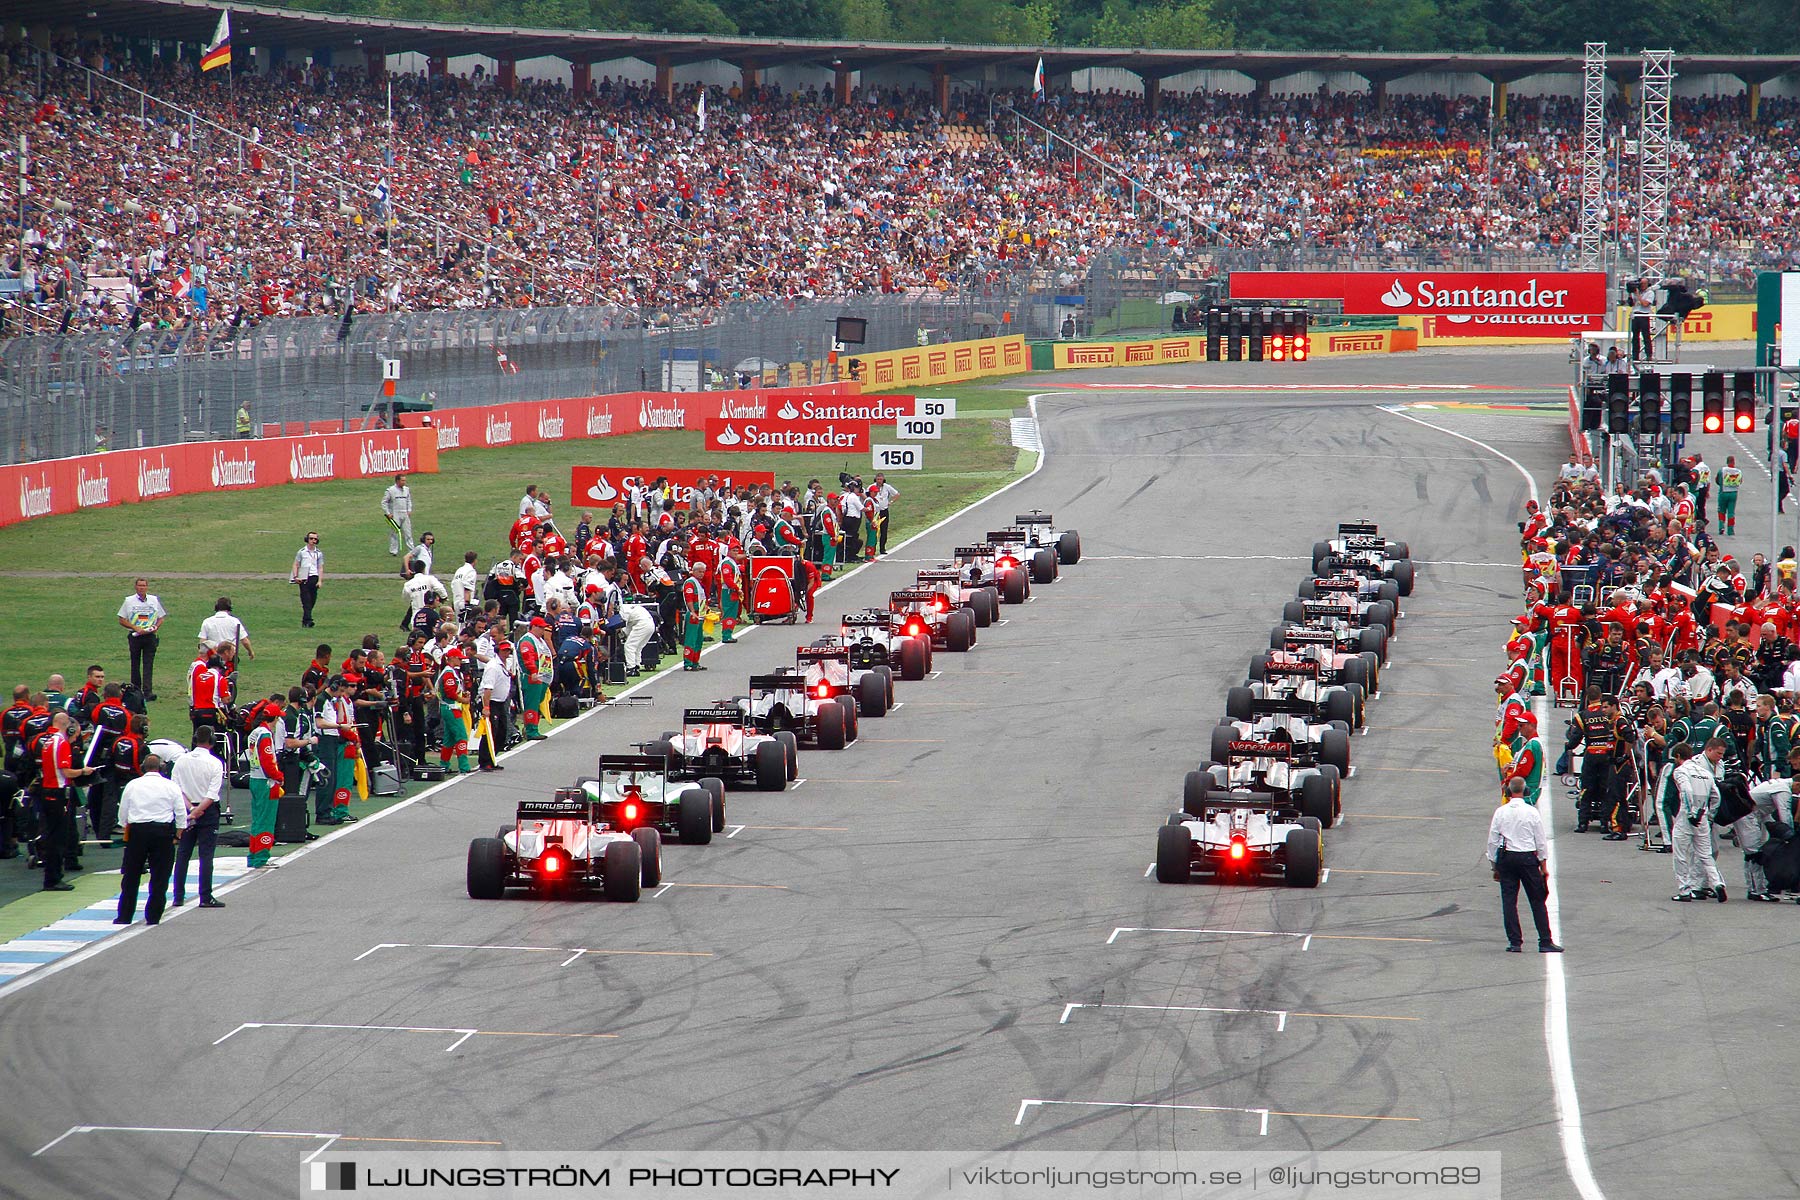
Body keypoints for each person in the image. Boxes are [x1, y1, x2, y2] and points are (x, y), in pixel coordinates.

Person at [1486, 777, 1562, 952]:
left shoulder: (1500, 812)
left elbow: (1492, 841)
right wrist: (1543, 865)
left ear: (1508, 791)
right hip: (1527, 859)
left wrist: (1494, 865)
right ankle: (1545, 941)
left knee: (1509, 901)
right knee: (1537, 900)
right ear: (1526, 791)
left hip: (1507, 858)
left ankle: (1515, 942)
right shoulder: (1532, 812)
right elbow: (1541, 841)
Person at [114, 755, 185, 925]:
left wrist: (126, 827)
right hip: (162, 832)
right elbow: (181, 813)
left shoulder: (133, 785)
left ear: (142, 767)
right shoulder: (170, 786)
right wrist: (178, 835)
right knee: (160, 876)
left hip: (138, 831)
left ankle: (124, 915)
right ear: (161, 768)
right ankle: (153, 916)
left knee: (131, 875)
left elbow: (122, 813)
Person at [36, 711, 93, 891]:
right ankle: (53, 878)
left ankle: (52, 875)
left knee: (52, 834)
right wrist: (83, 771)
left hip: (48, 789)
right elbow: (66, 772)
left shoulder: (48, 741)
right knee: (57, 837)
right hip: (57, 792)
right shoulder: (61, 743)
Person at [170, 727, 226, 909]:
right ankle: (205, 896)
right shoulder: (215, 763)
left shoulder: (181, 761)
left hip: (186, 808)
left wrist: (190, 809)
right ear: (212, 741)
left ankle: (178, 896)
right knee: (206, 854)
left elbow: (176, 788)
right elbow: (212, 794)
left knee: (183, 854)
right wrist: (198, 810)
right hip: (206, 810)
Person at [1671, 737, 1729, 902]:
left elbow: (1686, 791)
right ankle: (1717, 882)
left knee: (1681, 854)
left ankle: (1684, 890)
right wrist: (1709, 816)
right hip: (1704, 816)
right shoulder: (1705, 773)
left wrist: (1690, 813)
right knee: (1706, 854)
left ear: (1677, 757)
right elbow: (1716, 797)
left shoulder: (1681, 771)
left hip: (1687, 816)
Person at [243, 703, 283, 868]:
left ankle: (254, 855)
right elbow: (267, 761)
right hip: (266, 781)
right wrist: (278, 776)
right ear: (274, 718)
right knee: (266, 820)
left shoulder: (255, 732)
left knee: (258, 819)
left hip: (254, 777)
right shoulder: (265, 735)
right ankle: (261, 857)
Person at [117, 578, 165, 700]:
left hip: (150, 636)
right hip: (135, 636)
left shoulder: (154, 600)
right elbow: (122, 619)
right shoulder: (129, 601)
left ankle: (148, 692)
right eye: (139, 586)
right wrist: (135, 627)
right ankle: (136, 691)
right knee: (135, 663)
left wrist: (155, 627)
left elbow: (161, 617)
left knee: (148, 664)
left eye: (144, 586)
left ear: (147, 587)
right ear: (135, 587)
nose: (142, 588)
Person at [477, 642, 515, 771]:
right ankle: (485, 761)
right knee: (490, 731)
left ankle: (492, 758)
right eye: (504, 651)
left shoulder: (505, 664)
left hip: (500, 702)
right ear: (498, 651)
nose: (507, 653)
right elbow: (488, 688)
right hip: (491, 701)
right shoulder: (493, 666)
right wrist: (486, 707)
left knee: (502, 731)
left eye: (508, 651)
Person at [436, 648, 474, 775]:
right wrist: (463, 699)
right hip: (451, 708)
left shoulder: (450, 672)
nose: (461, 661)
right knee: (461, 736)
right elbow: (450, 693)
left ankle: (444, 765)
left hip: (449, 708)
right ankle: (464, 766)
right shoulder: (448, 673)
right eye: (458, 658)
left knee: (449, 739)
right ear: (451, 658)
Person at [517, 618, 554, 740]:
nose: (543, 630)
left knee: (537, 702)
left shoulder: (540, 641)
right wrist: (533, 671)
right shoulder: (527, 640)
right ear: (533, 627)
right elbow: (528, 657)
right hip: (532, 678)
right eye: (541, 627)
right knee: (532, 704)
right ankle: (531, 731)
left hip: (542, 677)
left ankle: (533, 727)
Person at [291, 531, 324, 627]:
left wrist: (320, 580)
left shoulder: (319, 553)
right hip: (304, 577)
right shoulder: (301, 552)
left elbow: (320, 567)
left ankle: (305, 620)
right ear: (307, 539)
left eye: (315, 539)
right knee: (306, 600)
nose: (313, 541)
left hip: (314, 577)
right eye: (311, 538)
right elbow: (296, 564)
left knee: (312, 600)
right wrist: (295, 576)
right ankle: (309, 621)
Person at [382, 472, 415, 556]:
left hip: (405, 513)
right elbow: (384, 502)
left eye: (405, 480)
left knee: (408, 532)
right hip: (395, 513)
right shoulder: (390, 490)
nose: (404, 482)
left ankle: (411, 550)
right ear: (397, 481)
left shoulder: (406, 489)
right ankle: (393, 551)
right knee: (395, 532)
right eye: (402, 480)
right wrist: (388, 513)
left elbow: (409, 500)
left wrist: (409, 510)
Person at [869, 474, 898, 556]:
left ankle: (882, 548)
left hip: (884, 511)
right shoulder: (871, 487)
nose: (879, 481)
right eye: (878, 479)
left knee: (884, 530)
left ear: (883, 479)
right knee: (873, 530)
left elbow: (897, 494)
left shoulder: (887, 487)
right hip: (875, 512)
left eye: (881, 479)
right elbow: (866, 495)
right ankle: (872, 549)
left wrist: (890, 502)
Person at [1630, 284, 1657, 361]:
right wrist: (1630, 293)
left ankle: (1648, 355)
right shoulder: (1635, 292)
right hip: (1635, 314)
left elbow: (1645, 304)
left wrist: (1638, 295)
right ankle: (1635, 356)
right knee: (1635, 337)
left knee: (1646, 336)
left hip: (1644, 314)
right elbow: (1631, 304)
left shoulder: (1650, 293)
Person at [451, 551, 480, 619]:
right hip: (464, 604)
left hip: (456, 601)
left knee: (459, 626)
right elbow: (467, 588)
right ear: (475, 560)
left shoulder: (459, 570)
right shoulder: (471, 571)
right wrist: (468, 605)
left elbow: (453, 585)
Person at [1716, 456, 1741, 536]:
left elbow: (1717, 480)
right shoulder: (1738, 471)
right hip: (1734, 493)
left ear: (1727, 462)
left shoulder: (1722, 470)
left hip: (1724, 492)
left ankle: (1721, 526)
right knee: (1731, 512)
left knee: (1721, 510)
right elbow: (1740, 481)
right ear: (1734, 462)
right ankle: (1730, 530)